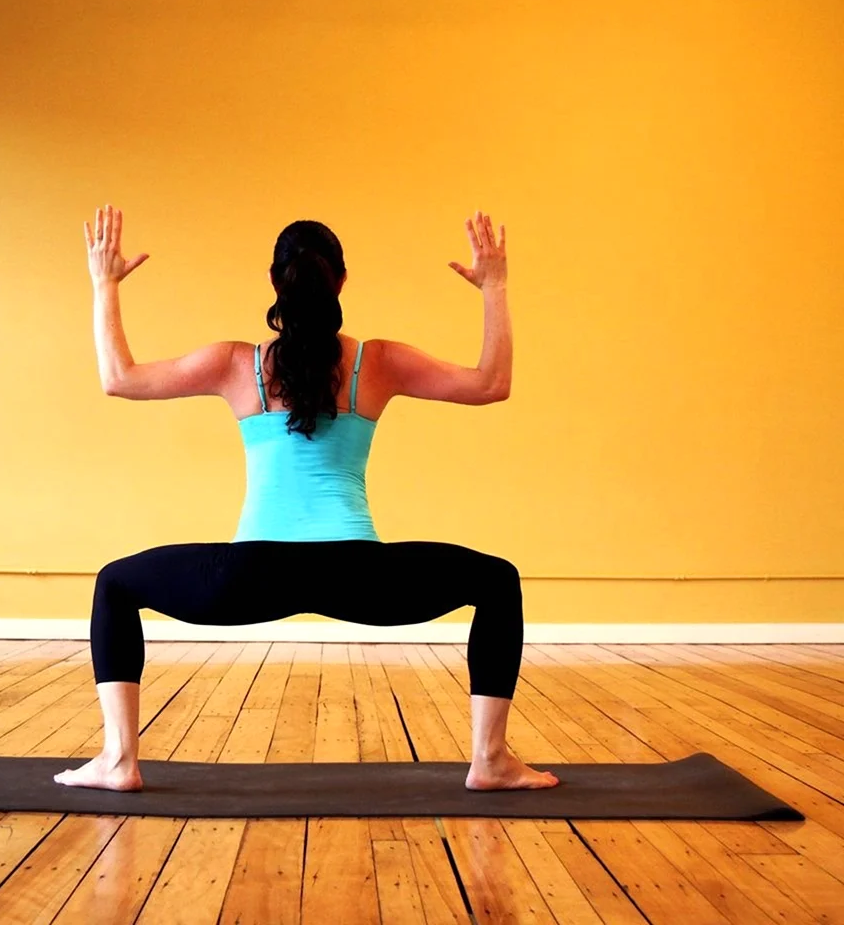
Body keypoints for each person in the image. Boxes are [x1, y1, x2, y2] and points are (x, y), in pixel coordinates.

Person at [54, 203, 559, 793]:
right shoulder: (378, 361)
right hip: (358, 574)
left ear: (275, 282)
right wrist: (494, 287)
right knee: (497, 581)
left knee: (115, 583)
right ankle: (490, 760)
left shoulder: (236, 363)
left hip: (249, 575)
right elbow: (491, 384)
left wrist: (103, 284)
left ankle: (119, 759)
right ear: (340, 282)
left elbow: (119, 377)